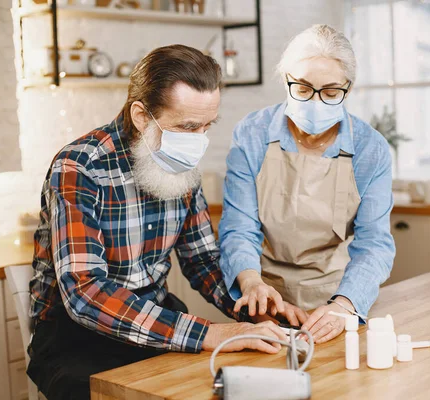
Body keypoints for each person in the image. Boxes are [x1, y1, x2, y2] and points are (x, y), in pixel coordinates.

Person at [27, 45, 303, 400]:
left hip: (155, 322)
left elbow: (202, 260)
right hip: (78, 339)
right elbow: (85, 292)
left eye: (206, 126)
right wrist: (213, 334)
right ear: (141, 115)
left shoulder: (179, 163)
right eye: (187, 127)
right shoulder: (79, 167)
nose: (198, 141)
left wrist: (253, 308)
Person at [219, 25, 396, 344]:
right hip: (265, 301)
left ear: (348, 88)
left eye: (330, 92)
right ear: (285, 79)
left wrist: (345, 305)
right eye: (302, 88)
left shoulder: (370, 149)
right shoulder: (252, 135)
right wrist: (251, 285)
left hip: (337, 301)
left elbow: (374, 244)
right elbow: (239, 227)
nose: (315, 101)